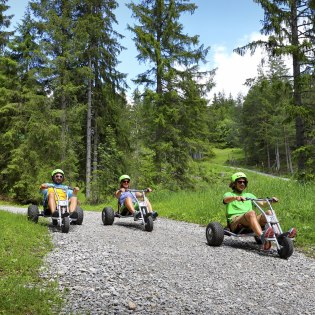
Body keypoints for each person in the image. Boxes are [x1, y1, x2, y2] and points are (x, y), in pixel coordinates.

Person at [223, 172, 279, 250]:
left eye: (244, 182)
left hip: (251, 219)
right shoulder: (229, 194)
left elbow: (262, 203)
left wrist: (271, 200)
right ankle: (263, 238)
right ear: (234, 184)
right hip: (235, 222)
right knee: (251, 213)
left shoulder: (249, 195)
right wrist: (236, 198)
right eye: (239, 182)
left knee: (270, 212)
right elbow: (225, 200)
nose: (242, 184)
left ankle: (279, 236)